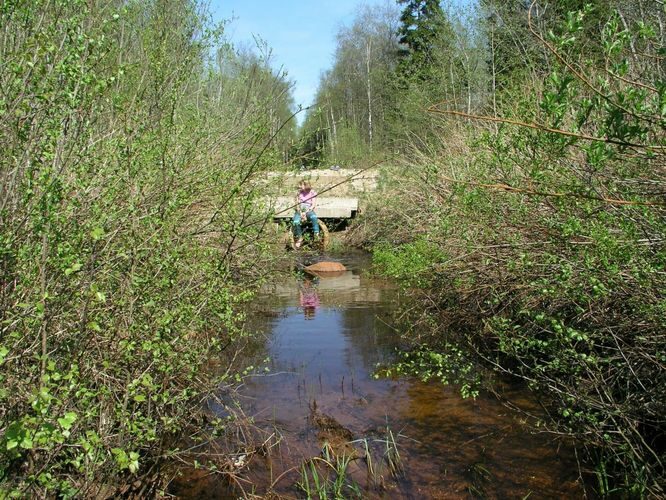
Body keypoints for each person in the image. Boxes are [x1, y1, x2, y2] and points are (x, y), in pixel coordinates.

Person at [292, 180, 319, 248]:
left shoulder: (313, 193)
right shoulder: (298, 193)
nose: (299, 186)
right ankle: (300, 237)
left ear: (305, 185)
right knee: (296, 221)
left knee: (314, 217)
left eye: (301, 185)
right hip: (300, 210)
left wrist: (306, 212)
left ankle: (316, 234)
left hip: (308, 210)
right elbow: (297, 205)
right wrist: (301, 213)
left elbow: (313, 205)